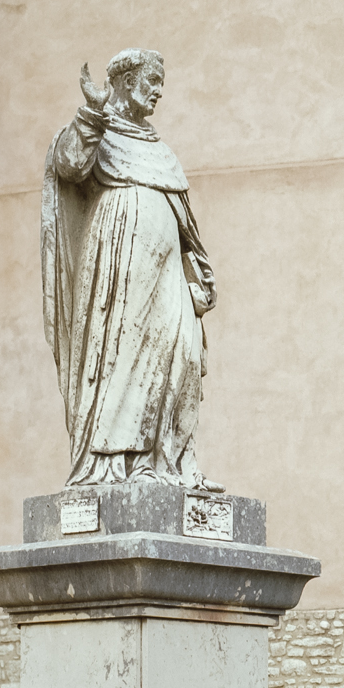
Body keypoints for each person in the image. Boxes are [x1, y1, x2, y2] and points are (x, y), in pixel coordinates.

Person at [41, 48, 222, 489]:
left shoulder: (160, 151)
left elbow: (183, 219)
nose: (159, 91)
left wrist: (198, 268)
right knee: (123, 356)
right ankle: (119, 463)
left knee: (180, 355)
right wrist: (90, 114)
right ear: (125, 82)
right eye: (152, 81)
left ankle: (169, 461)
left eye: (161, 83)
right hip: (120, 265)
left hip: (168, 275)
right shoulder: (97, 133)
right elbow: (70, 165)